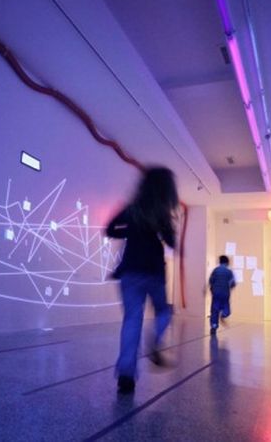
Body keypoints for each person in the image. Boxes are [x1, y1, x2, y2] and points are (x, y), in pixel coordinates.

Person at [106, 167, 178, 394]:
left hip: (130, 271)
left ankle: (126, 375)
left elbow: (110, 229)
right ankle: (154, 338)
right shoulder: (162, 213)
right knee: (164, 311)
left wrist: (131, 230)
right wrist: (159, 230)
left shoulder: (132, 208)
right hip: (153, 272)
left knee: (132, 320)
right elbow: (172, 243)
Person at [209, 255, 236, 334]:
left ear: (220, 262)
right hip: (225, 293)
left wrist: (212, 289)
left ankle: (214, 326)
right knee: (226, 307)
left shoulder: (215, 270)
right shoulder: (229, 272)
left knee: (215, 310)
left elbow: (211, 281)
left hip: (216, 293)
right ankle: (224, 314)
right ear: (227, 263)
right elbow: (233, 283)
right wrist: (230, 287)